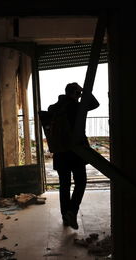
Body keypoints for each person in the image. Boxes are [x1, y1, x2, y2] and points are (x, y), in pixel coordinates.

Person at [48, 82, 99, 229]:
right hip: (76, 151)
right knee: (81, 181)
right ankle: (72, 211)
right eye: (78, 93)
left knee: (64, 184)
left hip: (60, 152)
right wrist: (84, 91)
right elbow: (95, 104)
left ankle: (65, 215)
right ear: (76, 93)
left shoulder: (53, 108)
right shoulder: (78, 107)